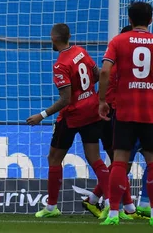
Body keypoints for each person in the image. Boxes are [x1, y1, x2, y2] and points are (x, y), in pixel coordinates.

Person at [98, 1, 153, 226]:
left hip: (125, 110)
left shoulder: (118, 41)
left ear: (130, 20)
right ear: (150, 20)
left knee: (120, 161)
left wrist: (102, 100)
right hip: (152, 111)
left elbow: (105, 71)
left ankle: (113, 214)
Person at [27, 24, 111, 218]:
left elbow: (66, 99)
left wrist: (42, 115)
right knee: (95, 159)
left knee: (54, 158)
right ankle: (110, 203)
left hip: (72, 116)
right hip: (91, 110)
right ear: (69, 36)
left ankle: (51, 207)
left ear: (54, 39)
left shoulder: (60, 65)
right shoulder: (81, 52)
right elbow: (97, 75)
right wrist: (88, 93)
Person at [83, 25, 149, 220]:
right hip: (112, 114)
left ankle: (102, 201)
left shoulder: (117, 63)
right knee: (121, 163)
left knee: (119, 163)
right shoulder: (122, 66)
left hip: (112, 113)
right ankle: (115, 205)